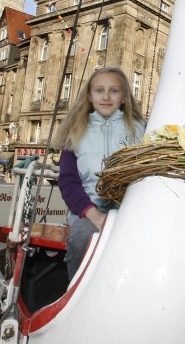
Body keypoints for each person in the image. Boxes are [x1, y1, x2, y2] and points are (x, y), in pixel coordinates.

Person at [56, 67, 146, 281]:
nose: (106, 97)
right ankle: (77, 292)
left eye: (114, 91)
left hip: (130, 211)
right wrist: (92, 214)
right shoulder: (75, 131)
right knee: (81, 239)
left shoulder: (141, 129)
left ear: (124, 97)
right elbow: (69, 182)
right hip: (88, 212)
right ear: (89, 96)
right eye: (99, 90)